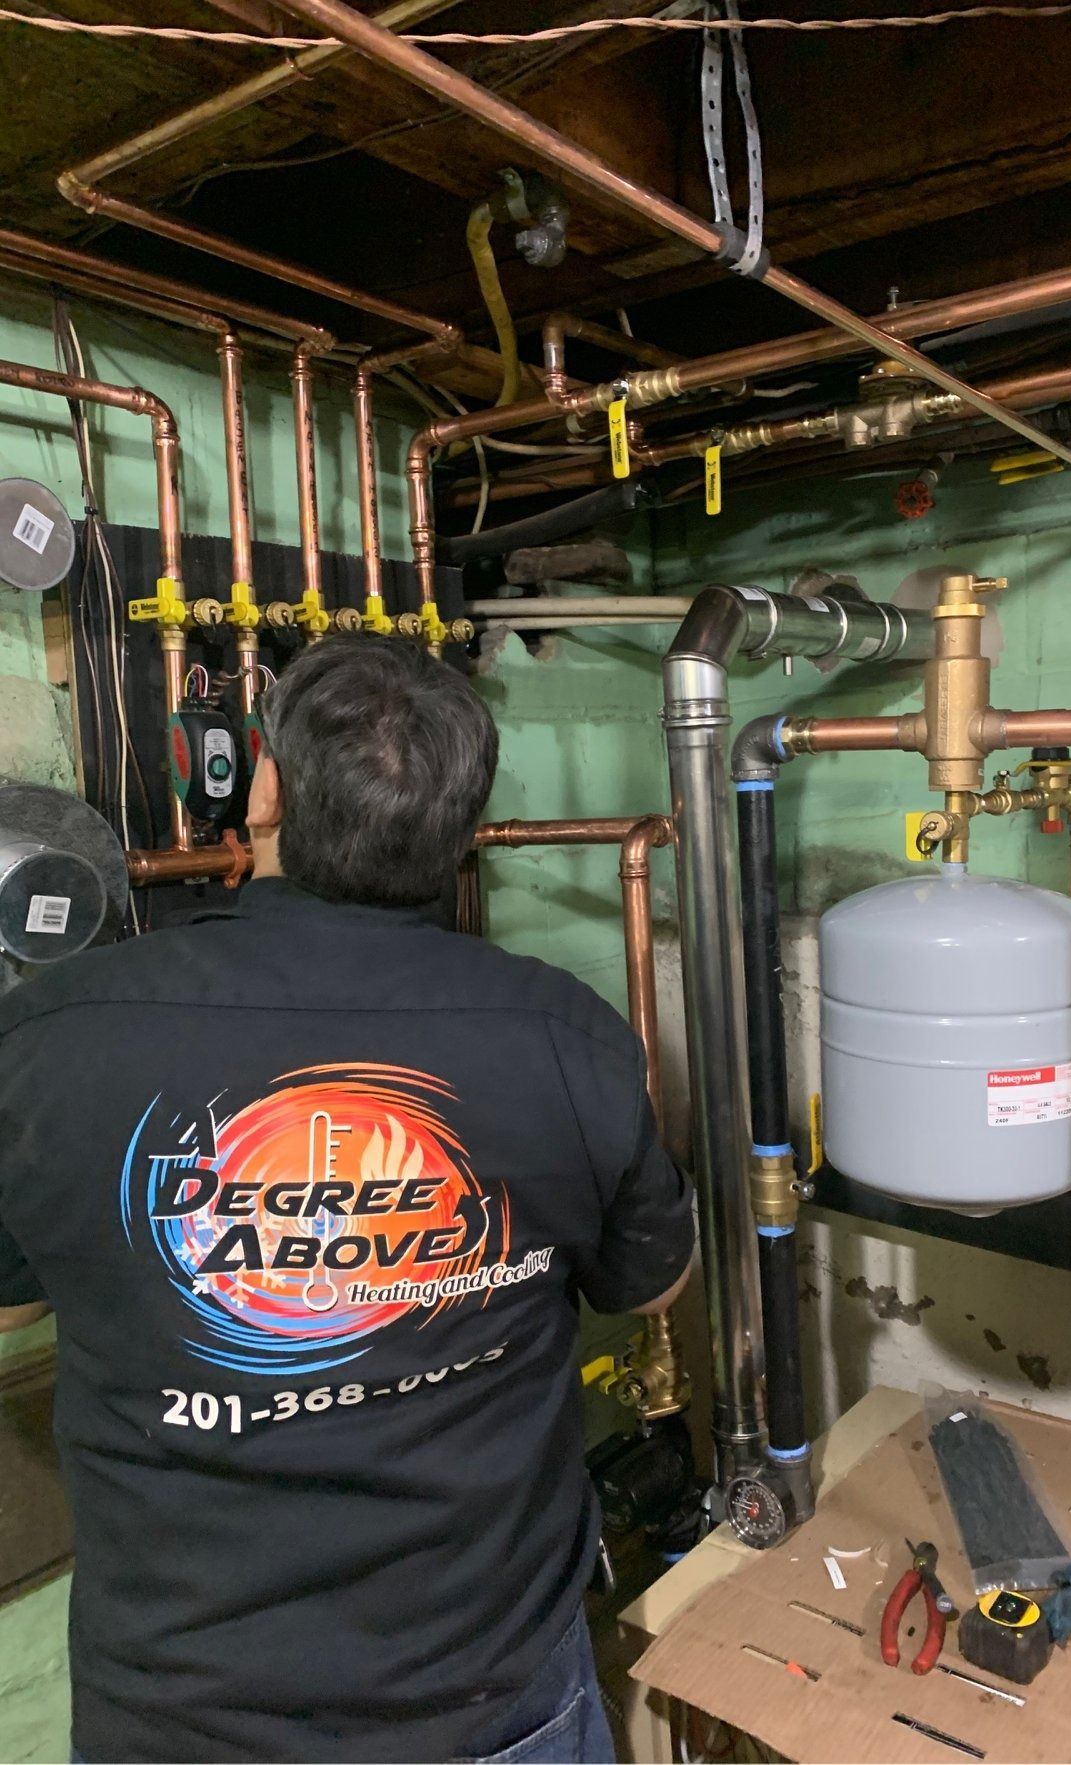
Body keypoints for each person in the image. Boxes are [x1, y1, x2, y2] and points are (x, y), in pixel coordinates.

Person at [0, 635, 694, 1765]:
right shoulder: (564, 1034)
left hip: (181, 1718)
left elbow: (9, 1305)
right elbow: (655, 1276)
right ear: (463, 829)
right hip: (488, 1698)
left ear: (265, 788)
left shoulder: (49, 1034)